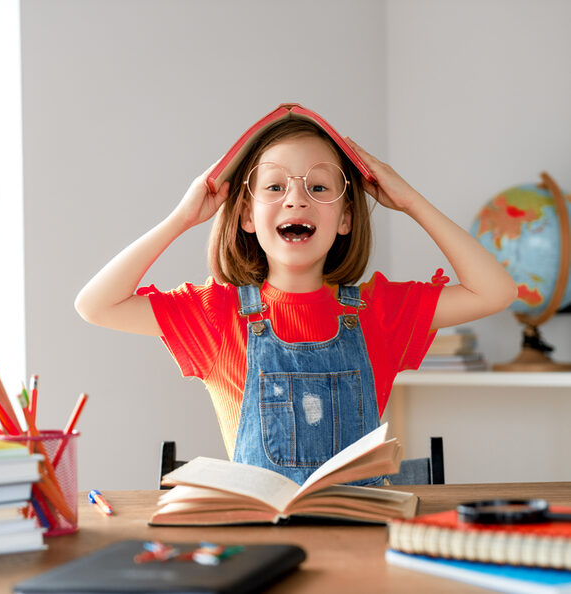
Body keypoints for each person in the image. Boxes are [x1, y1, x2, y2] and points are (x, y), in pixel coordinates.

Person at [75, 107, 517, 485]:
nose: (296, 199)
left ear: (346, 218)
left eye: (320, 187)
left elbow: (495, 291)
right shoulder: (215, 314)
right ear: (246, 216)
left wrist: (410, 200)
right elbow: (95, 305)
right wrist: (180, 218)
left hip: (360, 547)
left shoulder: (379, 312)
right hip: (262, 547)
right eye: (274, 186)